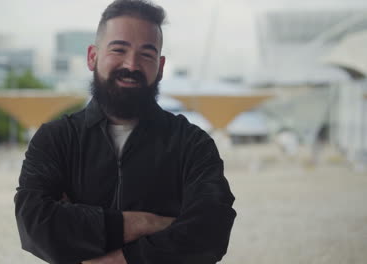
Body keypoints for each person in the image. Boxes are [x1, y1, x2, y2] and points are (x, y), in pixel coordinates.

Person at [14, 0, 236, 263]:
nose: (131, 65)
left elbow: (211, 231)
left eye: (146, 54)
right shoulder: (56, 139)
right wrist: (143, 223)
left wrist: (116, 256)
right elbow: (34, 224)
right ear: (92, 57)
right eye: (119, 49)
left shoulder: (192, 144)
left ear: (161, 66)